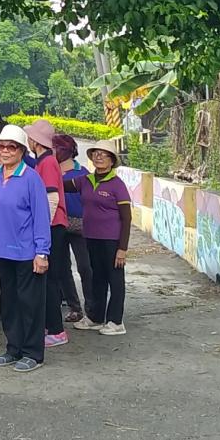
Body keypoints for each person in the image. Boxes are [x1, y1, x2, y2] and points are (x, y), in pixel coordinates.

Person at [0, 123, 50, 373]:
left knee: (30, 303)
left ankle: (33, 352)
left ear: (21, 151)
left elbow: (40, 217)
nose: (5, 151)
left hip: (26, 253)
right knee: (9, 302)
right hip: (1, 252)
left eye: (11, 147)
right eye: (1, 146)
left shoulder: (31, 179)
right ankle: (13, 348)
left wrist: (42, 252)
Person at [67, 138, 131, 336]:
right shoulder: (85, 180)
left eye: (104, 154)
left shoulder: (117, 185)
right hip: (91, 238)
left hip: (112, 240)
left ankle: (115, 321)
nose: (99, 156)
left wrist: (122, 248)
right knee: (98, 279)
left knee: (115, 279)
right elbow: (60, 185)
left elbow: (126, 218)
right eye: (96, 153)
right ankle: (96, 317)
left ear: (112, 160)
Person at [25, 119, 69, 350]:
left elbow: (52, 199)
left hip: (53, 226)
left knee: (50, 280)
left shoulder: (48, 163)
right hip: (51, 226)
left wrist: (41, 232)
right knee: (46, 279)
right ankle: (49, 325)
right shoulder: (42, 161)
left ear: (35, 141)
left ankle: (56, 329)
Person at [52, 132, 93, 323]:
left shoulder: (82, 174)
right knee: (61, 267)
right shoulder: (49, 171)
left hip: (81, 225)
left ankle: (92, 308)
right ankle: (74, 307)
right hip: (58, 222)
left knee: (85, 267)